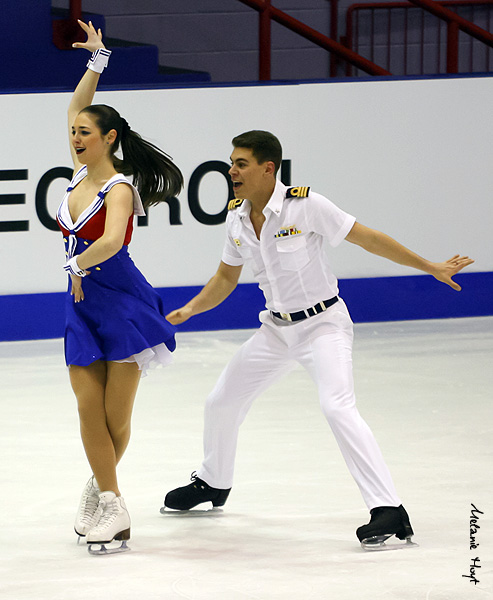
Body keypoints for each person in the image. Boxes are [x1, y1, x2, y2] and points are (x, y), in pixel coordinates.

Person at [163, 130, 473, 549]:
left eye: (241, 163)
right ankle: (214, 484)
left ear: (267, 168)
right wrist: (189, 310)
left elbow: (369, 238)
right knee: (221, 400)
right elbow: (225, 277)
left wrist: (428, 265)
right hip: (275, 330)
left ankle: (389, 510)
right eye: (231, 162)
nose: (231, 170)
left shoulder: (305, 205)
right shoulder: (237, 217)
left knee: (336, 406)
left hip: (322, 325)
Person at [57, 21, 183, 553]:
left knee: (115, 417)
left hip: (120, 301)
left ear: (109, 138)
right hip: (81, 303)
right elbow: (75, 107)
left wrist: (78, 266)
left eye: (87, 133)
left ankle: (104, 494)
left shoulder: (120, 186)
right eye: (74, 133)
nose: (76, 137)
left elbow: (110, 242)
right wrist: (98, 59)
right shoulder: (76, 176)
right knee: (88, 410)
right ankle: (111, 498)